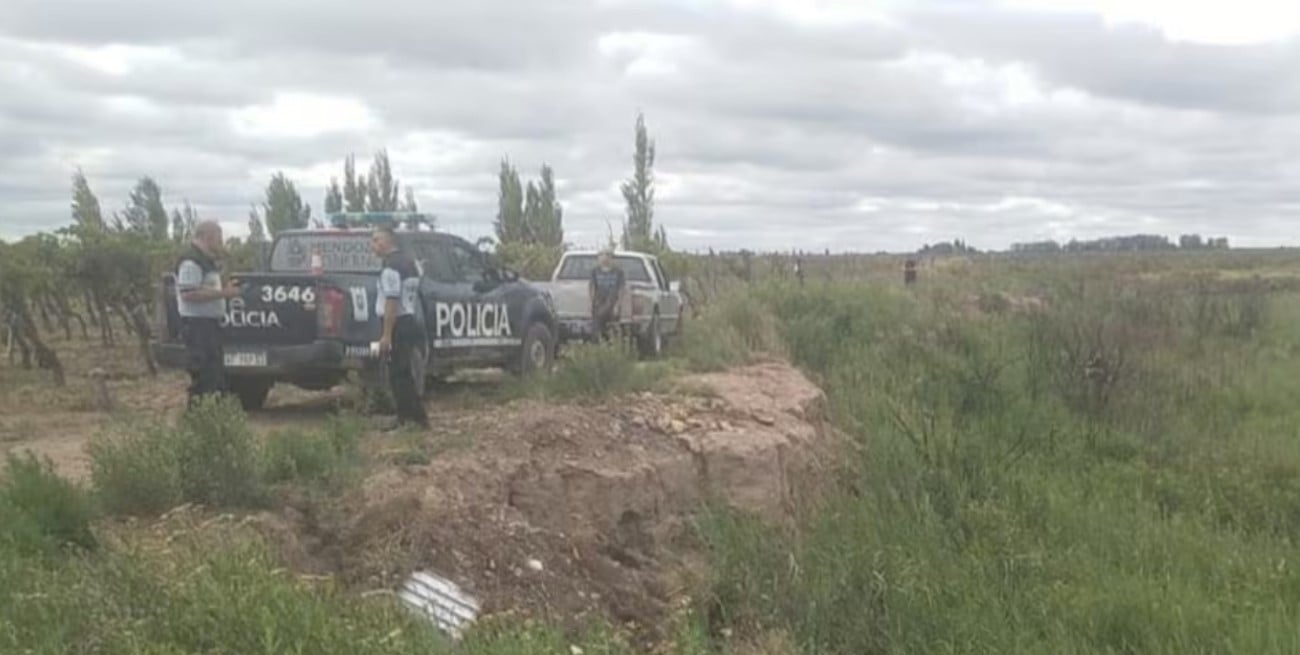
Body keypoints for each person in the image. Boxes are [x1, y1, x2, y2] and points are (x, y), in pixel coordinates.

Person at [175, 220, 241, 408]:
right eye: (219, 238)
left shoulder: (206, 260)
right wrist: (223, 294)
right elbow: (188, 293)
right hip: (197, 327)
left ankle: (211, 421)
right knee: (203, 378)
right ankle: (197, 422)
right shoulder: (191, 261)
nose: (221, 243)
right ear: (208, 236)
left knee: (215, 378)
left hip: (209, 326)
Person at [370, 226, 430, 430]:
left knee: (397, 374)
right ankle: (415, 417)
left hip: (397, 323)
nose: (373, 245)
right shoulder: (409, 264)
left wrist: (386, 335)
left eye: (377, 240)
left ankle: (408, 419)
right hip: (409, 320)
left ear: (388, 241)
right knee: (403, 372)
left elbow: (392, 301)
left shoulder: (391, 268)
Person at [589, 249, 625, 343]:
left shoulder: (618, 272)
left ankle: (613, 347)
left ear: (611, 258)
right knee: (597, 326)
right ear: (598, 258)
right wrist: (592, 302)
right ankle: (599, 346)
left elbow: (621, 289)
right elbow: (592, 287)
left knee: (613, 327)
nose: (604, 258)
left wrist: (618, 305)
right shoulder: (594, 271)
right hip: (599, 303)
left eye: (607, 255)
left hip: (613, 302)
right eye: (601, 255)